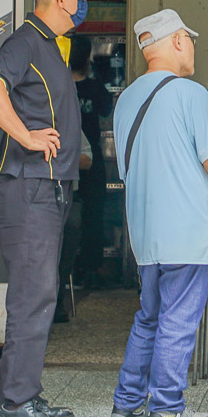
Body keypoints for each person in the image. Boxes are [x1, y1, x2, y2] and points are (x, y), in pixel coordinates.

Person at [0, 0, 87, 417]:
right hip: (29, 188)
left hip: (49, 189)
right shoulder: (25, 41)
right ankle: (15, 406)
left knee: (40, 295)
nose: (84, 4)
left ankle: (27, 394)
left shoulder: (53, 47)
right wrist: (26, 137)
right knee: (31, 296)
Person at [108, 9, 208, 417]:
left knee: (151, 316)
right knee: (178, 319)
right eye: (189, 39)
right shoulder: (191, 94)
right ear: (177, 41)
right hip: (186, 230)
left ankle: (127, 404)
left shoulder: (125, 100)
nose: (192, 47)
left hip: (146, 232)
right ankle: (167, 409)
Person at [68, 37, 112, 290]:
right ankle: (90, 269)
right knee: (94, 216)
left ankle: (71, 270)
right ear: (88, 60)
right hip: (91, 160)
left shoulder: (61, 86)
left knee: (69, 217)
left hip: (65, 159)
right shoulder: (95, 87)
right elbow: (107, 111)